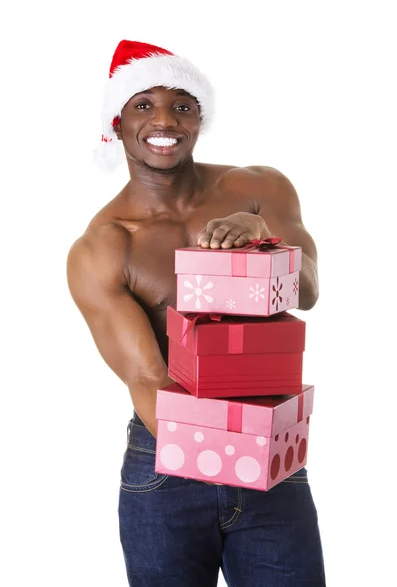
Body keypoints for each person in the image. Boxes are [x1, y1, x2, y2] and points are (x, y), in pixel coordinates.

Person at [67, 40, 325, 586]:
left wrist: (264, 239)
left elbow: (306, 291)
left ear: (200, 119)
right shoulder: (106, 246)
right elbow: (147, 376)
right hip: (168, 463)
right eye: (144, 105)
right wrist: (226, 455)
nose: (165, 119)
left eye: (182, 105)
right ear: (117, 123)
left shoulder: (260, 188)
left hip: (268, 450)